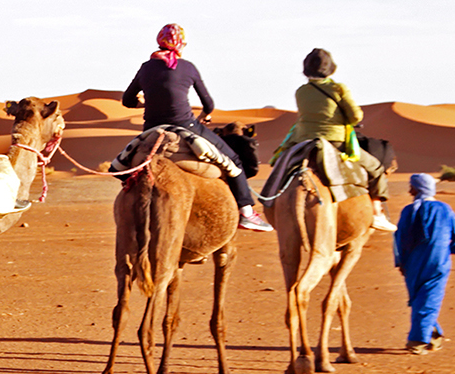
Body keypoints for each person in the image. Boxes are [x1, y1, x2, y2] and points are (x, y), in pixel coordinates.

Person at [122, 23, 272, 232]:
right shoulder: (188, 67)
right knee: (234, 161)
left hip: (152, 128)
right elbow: (208, 103)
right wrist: (204, 116)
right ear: (180, 45)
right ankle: (247, 213)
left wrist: (145, 103)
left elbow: (127, 100)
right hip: (186, 125)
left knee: (124, 166)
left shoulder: (146, 67)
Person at [286, 47, 395, 231]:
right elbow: (355, 117)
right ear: (330, 69)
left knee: (281, 163)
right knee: (375, 168)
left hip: (302, 140)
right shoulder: (338, 88)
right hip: (334, 141)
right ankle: (377, 213)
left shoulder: (301, 91)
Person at [393, 173, 455, 354]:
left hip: (412, 264)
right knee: (426, 299)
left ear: (418, 188)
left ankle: (418, 340)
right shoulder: (444, 209)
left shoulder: (408, 211)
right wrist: (451, 249)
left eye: (412, 186)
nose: (409, 189)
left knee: (422, 299)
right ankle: (428, 336)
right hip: (438, 261)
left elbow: (399, 239)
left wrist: (400, 261)